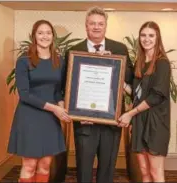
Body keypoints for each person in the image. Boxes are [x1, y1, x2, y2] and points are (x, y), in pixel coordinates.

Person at [64, 6, 134, 183]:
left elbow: (130, 80)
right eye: (92, 23)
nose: (96, 27)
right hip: (85, 122)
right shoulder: (73, 51)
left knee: (107, 170)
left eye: (100, 24)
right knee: (84, 170)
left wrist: (111, 64)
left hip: (112, 121)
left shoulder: (119, 49)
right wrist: (76, 114)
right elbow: (67, 86)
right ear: (86, 26)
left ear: (105, 26)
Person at [7, 20, 72, 183]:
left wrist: (62, 108)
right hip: (29, 117)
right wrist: (54, 109)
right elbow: (24, 95)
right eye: (40, 33)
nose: (45, 36)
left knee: (45, 164)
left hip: (50, 119)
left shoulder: (59, 60)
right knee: (29, 164)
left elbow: (58, 91)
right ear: (34, 36)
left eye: (48, 33)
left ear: (53, 36)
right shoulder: (24, 61)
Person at [118, 21, 171, 182]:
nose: (146, 39)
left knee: (156, 172)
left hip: (155, 123)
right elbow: (136, 94)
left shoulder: (162, 63)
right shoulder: (140, 63)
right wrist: (117, 80)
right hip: (140, 121)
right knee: (143, 171)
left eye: (151, 35)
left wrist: (130, 114)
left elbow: (156, 96)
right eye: (143, 35)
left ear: (157, 38)